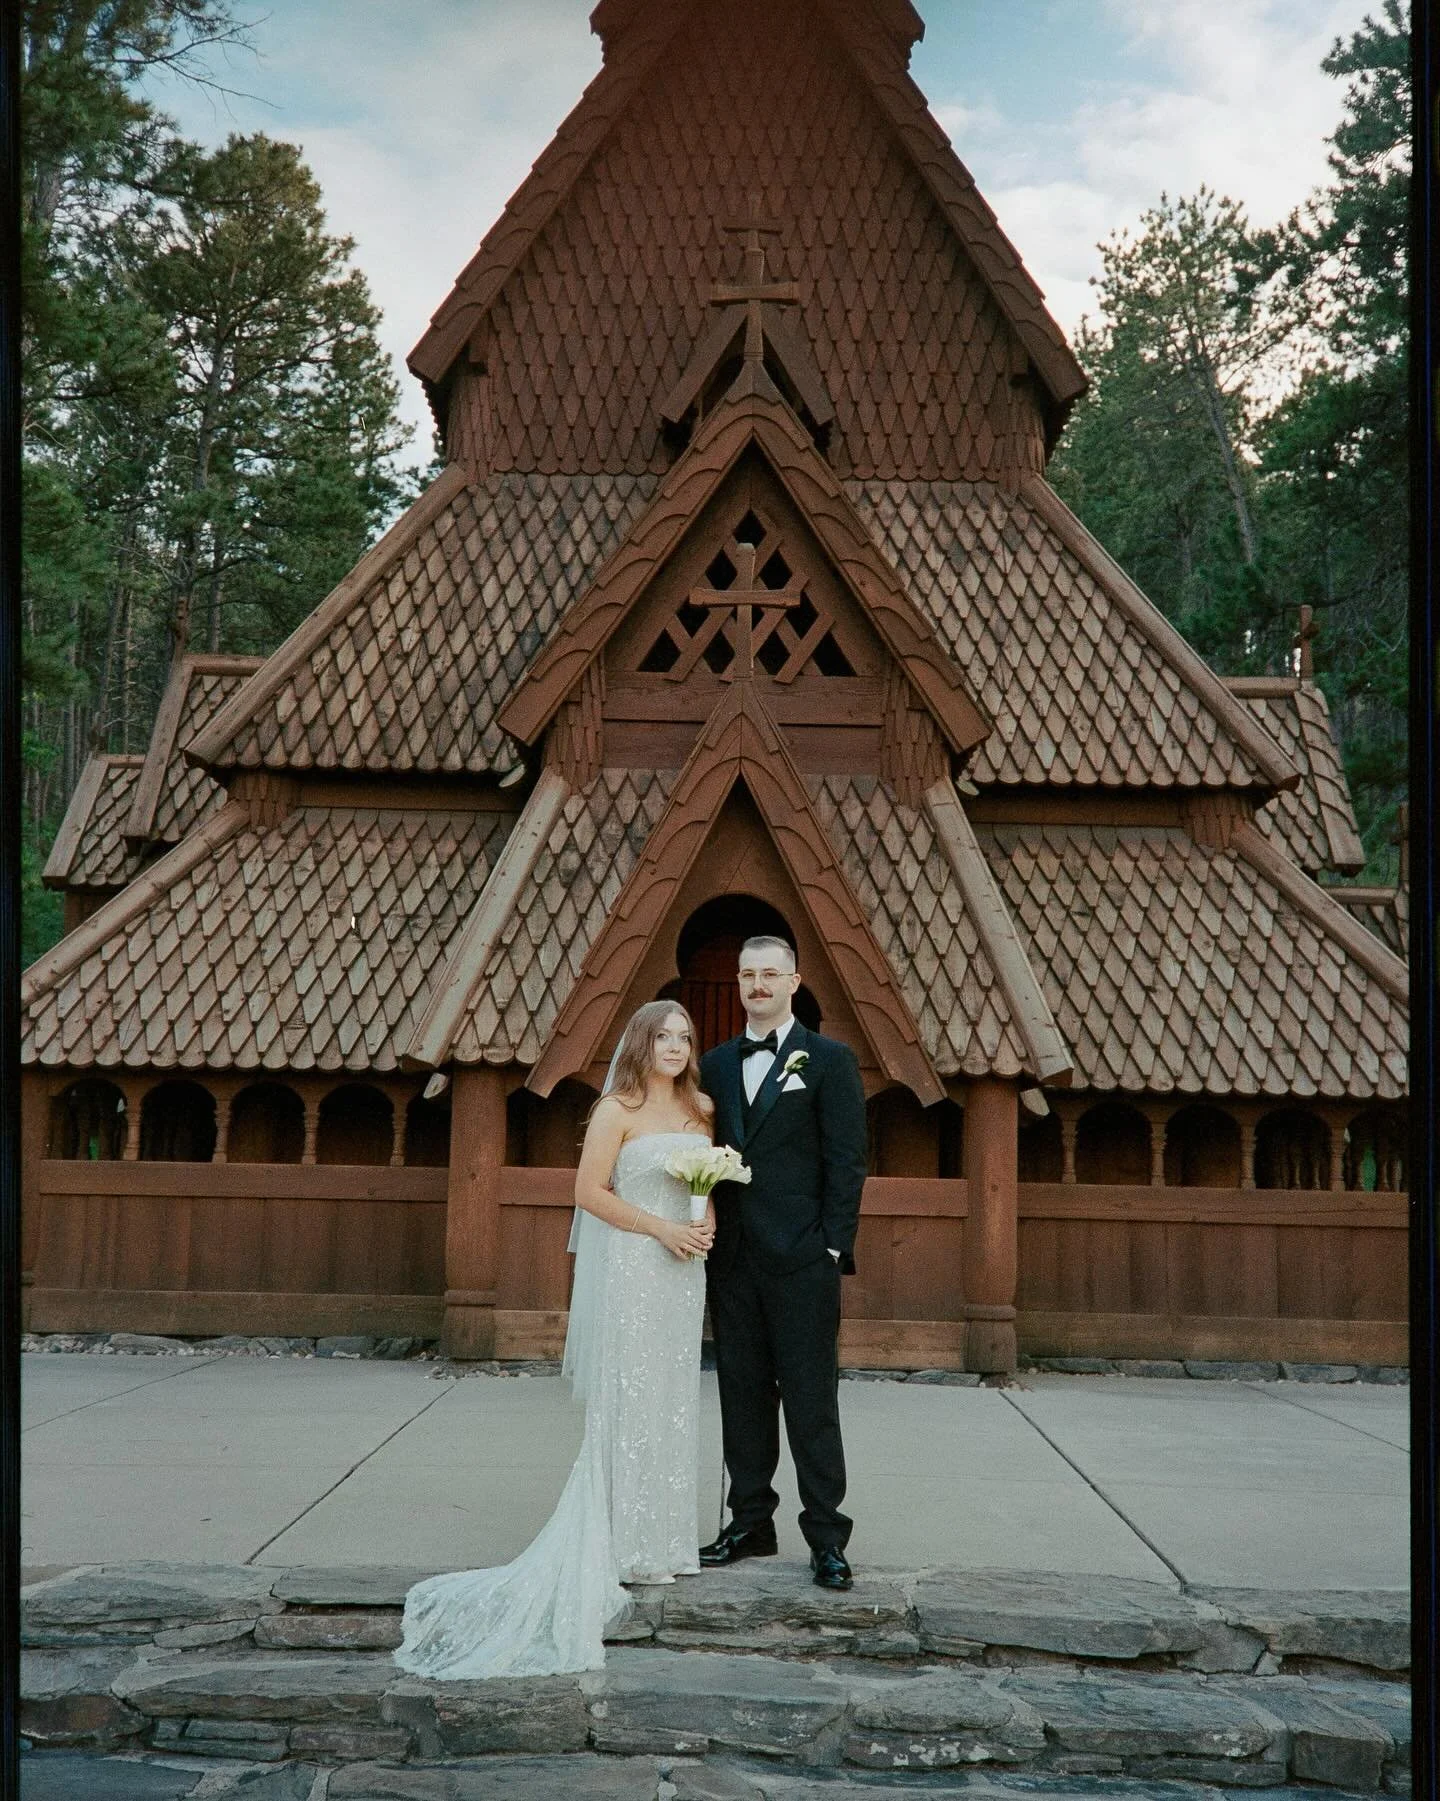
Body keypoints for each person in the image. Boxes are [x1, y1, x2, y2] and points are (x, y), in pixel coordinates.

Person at [395, 1000, 715, 1679]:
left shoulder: (701, 1109)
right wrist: (659, 1229)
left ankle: (664, 1543)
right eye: (664, 1036)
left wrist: (702, 1220)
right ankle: (620, 1541)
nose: (676, 1047)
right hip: (636, 1263)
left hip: (685, 1272)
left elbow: (704, 1180)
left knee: (672, 1399)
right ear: (641, 1042)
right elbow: (588, 1192)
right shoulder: (617, 1110)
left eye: (685, 1037)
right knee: (629, 1398)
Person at [698, 934, 867, 1590]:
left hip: (802, 1259)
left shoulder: (828, 1060)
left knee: (810, 1399)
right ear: (739, 983)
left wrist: (831, 1245)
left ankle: (827, 1536)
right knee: (740, 1393)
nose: (758, 984)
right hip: (733, 1258)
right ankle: (749, 1522)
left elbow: (848, 1157)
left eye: (770, 973)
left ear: (795, 981)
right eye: (748, 974)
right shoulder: (713, 1064)